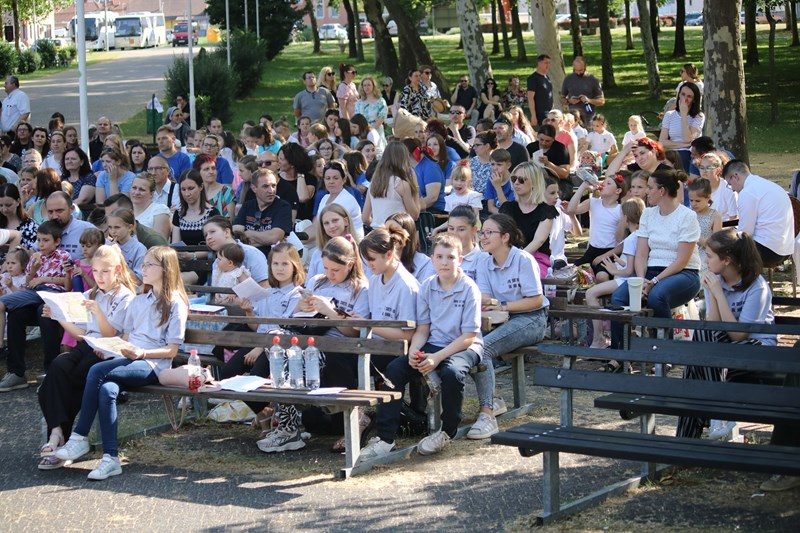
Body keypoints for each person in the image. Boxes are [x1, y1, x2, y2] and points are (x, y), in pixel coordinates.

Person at [55, 246, 188, 481]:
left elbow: (172, 350)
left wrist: (141, 353)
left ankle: (79, 436)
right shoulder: (140, 300)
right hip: (128, 358)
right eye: (143, 264)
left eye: (149, 265)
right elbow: (126, 337)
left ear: (165, 269)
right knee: (107, 390)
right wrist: (111, 348)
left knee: (96, 371)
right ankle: (111, 459)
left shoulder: (175, 303)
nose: (142, 269)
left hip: (152, 364)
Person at [358, 234, 483, 459]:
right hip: (433, 343)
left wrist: (437, 357)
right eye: (439, 257)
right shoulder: (427, 286)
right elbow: (423, 329)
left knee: (452, 373)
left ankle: (447, 431)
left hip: (464, 346)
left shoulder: (469, 288)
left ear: (460, 260)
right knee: (395, 369)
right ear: (432, 259)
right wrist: (414, 351)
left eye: (450, 257)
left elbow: (469, 336)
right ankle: (385, 438)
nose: (444, 262)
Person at [35, 245, 136, 470]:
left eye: (105, 271)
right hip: (88, 346)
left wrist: (98, 312)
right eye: (96, 271)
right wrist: (58, 316)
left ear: (117, 270)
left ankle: (62, 440)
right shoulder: (92, 293)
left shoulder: (125, 297)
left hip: (109, 352)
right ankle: (57, 432)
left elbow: (111, 334)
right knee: (58, 366)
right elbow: (81, 334)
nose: (99, 277)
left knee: (70, 380)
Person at [675, 229, 774, 442]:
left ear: (726, 260)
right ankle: (713, 420)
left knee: (695, 367)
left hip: (758, 349)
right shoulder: (715, 280)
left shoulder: (757, 287)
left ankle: (689, 437)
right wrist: (713, 293)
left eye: (710, 256)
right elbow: (713, 328)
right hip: (725, 351)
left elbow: (739, 336)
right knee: (700, 344)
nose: (706, 260)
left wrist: (718, 294)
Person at [223, 243, 305, 451]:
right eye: (275, 264)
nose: (280, 268)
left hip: (278, 349)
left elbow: (286, 329)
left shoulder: (297, 294)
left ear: (295, 265)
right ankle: (264, 411)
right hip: (259, 343)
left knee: (256, 377)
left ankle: (278, 418)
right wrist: (249, 312)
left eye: (285, 264)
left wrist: (261, 347)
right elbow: (257, 326)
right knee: (227, 373)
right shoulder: (267, 292)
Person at [609, 169, 701, 349]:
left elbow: (682, 261)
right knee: (618, 298)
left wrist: (654, 281)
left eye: (650, 188)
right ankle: (620, 351)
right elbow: (641, 253)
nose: (646, 192)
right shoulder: (648, 214)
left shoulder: (687, 216)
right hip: (651, 273)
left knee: (657, 296)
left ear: (662, 191)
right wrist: (641, 279)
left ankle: (664, 351)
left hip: (684, 273)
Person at [474, 214, 550, 433]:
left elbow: (536, 300)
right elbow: (486, 299)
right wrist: (491, 305)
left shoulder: (523, 259)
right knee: (466, 344)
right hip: (501, 318)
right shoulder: (484, 261)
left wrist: (503, 306)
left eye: (489, 232)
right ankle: (494, 399)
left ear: (505, 237)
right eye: (482, 232)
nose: (483, 237)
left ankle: (487, 413)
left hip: (532, 318)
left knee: (483, 349)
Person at [0, 221, 71, 391]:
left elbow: (68, 284)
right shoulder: (35, 257)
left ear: (57, 241)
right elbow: (27, 284)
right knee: (16, 313)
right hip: (34, 294)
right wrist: (34, 270)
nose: (41, 244)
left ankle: (51, 372)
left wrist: (44, 279)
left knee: (44, 312)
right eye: (39, 240)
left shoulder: (64, 256)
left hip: (53, 295)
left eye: (45, 240)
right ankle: (16, 372)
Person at [585, 198, 645, 349]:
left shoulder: (631, 239)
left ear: (625, 218)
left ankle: (598, 338)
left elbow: (629, 271)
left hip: (626, 280)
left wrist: (613, 270)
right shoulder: (641, 235)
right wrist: (621, 262)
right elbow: (635, 264)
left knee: (590, 294)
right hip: (630, 280)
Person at [724, 159, 794, 268]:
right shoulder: (764, 184)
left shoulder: (747, 192)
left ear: (735, 177)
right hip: (786, 249)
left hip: (768, 250)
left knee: (721, 249)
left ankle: (731, 280)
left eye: (729, 184)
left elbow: (745, 233)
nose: (732, 189)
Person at [499, 162, 558, 278]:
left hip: (535, 259)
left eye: (522, 180)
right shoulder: (507, 208)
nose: (516, 183)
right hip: (506, 256)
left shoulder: (546, 210)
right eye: (514, 179)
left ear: (534, 183)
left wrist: (515, 260)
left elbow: (538, 241)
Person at [233, 169, 293, 258]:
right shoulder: (247, 205)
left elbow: (274, 238)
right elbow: (236, 234)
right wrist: (265, 239)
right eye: (265, 186)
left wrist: (248, 233)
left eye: (273, 186)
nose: (271, 191)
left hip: (272, 258)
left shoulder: (283, 207)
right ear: (254, 188)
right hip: (245, 257)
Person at [363, 141, 420, 227]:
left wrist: (378, 225)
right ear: (404, 159)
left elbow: (365, 218)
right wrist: (415, 187)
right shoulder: (401, 184)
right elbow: (415, 215)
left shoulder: (374, 183)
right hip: (397, 232)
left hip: (377, 232)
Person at [659, 82, 704, 171]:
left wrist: (684, 114)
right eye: (683, 94)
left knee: (682, 155)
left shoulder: (699, 116)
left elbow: (687, 139)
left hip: (689, 153)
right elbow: (662, 141)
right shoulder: (669, 115)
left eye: (689, 96)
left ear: (694, 100)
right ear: (679, 95)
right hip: (673, 152)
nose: (685, 99)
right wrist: (683, 145)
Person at [316, 161, 364, 241]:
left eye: (335, 178)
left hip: (349, 243)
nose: (331, 181)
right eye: (328, 178)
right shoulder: (325, 198)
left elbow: (334, 230)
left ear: (344, 179)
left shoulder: (347, 200)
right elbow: (318, 224)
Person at [171, 169, 220, 247]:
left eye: (191, 188)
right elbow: (176, 244)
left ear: (201, 187)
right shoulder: (178, 214)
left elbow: (216, 244)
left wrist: (192, 254)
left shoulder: (212, 213)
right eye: (183, 189)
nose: (187, 194)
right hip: (182, 254)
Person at [101, 194, 169, 249]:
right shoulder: (109, 237)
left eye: (116, 214)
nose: (111, 219)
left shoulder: (152, 240)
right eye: (108, 216)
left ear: (131, 212)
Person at [386, 212, 435, 284]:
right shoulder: (381, 261)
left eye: (395, 230)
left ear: (409, 233)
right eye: (386, 231)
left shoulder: (425, 263)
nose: (390, 235)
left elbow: (424, 289)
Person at [688, 178, 722, 275]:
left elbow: (716, 243)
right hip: (688, 252)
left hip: (706, 255)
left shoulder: (715, 216)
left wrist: (695, 238)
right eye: (691, 200)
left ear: (708, 197)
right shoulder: (688, 214)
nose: (693, 204)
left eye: (698, 201)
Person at [561, 56, 605, 123]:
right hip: (573, 119)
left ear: (585, 66)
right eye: (576, 70)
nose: (578, 73)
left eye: (581, 70)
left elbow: (602, 101)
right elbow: (562, 99)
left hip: (589, 118)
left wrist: (588, 100)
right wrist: (569, 101)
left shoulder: (593, 80)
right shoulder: (568, 79)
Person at [278, 142, 315, 221]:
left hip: (302, 223)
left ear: (292, 163)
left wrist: (300, 173)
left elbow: (302, 198)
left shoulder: (309, 179)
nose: (278, 162)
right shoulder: (277, 178)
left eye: (281, 159)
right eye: (278, 158)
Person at [106, 209, 146, 280]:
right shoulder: (107, 245)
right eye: (110, 227)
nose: (113, 231)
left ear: (130, 228)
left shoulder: (139, 249)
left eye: (117, 227)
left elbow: (138, 281)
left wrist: (119, 256)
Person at [697, 152, 737, 221]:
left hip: (725, 226)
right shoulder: (697, 187)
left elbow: (733, 218)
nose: (704, 171)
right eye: (702, 167)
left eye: (708, 167)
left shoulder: (728, 189)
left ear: (718, 170)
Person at [130, 173, 171, 240]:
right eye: (134, 188)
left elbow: (159, 243)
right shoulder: (125, 210)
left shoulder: (160, 210)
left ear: (151, 193)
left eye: (142, 189)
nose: (136, 192)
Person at [194, 153, 234, 220]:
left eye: (213, 168)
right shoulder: (195, 192)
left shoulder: (226, 191)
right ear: (198, 172)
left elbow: (230, 220)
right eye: (206, 169)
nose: (211, 172)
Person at [354, 76, 388, 143]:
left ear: (373, 86)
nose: (367, 87)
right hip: (362, 134)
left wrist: (371, 132)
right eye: (364, 85)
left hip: (377, 132)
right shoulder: (359, 103)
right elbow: (357, 119)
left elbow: (382, 117)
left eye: (369, 85)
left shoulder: (380, 101)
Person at [485, 149, 515, 215]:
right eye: (492, 164)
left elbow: (507, 209)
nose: (495, 168)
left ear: (508, 165)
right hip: (498, 216)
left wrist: (498, 187)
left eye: (499, 164)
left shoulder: (514, 181)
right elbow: (490, 207)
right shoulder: (491, 180)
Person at [527, 54, 553, 126]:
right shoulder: (533, 78)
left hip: (549, 112)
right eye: (546, 63)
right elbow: (530, 98)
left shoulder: (547, 77)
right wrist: (533, 115)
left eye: (549, 63)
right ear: (539, 63)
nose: (548, 65)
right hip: (540, 113)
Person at [469, 131, 497, 197]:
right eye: (474, 145)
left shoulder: (497, 164)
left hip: (488, 199)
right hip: (470, 198)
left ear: (487, 146)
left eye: (477, 145)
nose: (474, 148)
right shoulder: (472, 161)